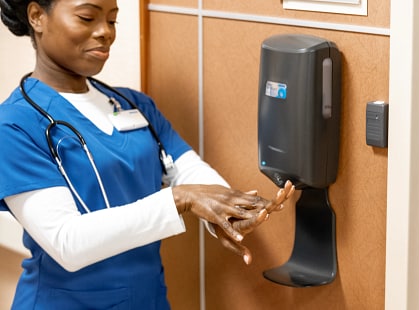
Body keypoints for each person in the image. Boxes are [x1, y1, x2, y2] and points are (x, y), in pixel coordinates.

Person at [0, 0, 295, 308]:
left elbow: (188, 171)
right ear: (37, 17)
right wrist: (180, 198)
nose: (105, 32)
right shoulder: (15, 125)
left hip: (147, 298)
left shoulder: (134, 105)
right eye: (87, 17)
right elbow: (66, 241)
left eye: (112, 20)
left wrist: (228, 212)